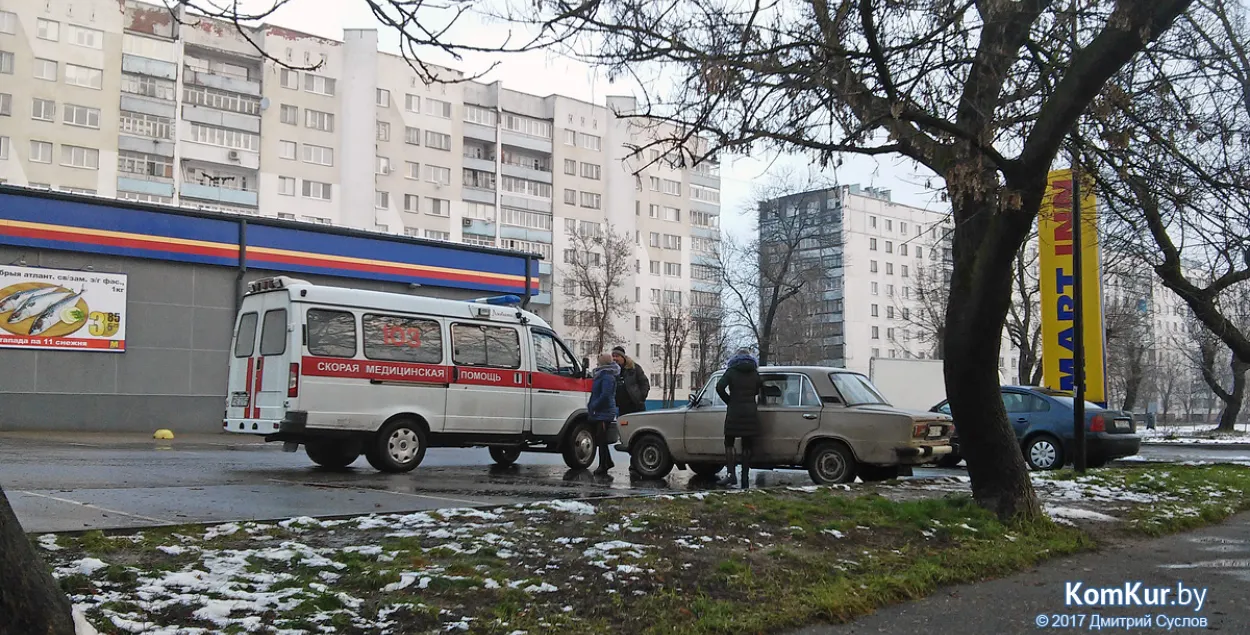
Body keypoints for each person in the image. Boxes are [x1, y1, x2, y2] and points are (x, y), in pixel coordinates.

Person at [715, 348, 763, 488]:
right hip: (750, 412)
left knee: (729, 441)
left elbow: (719, 387)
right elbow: (757, 389)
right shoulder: (754, 372)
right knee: (747, 444)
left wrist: (729, 400)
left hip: (734, 411)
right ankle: (745, 477)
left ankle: (731, 475)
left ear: (736, 357)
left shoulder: (732, 371)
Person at [587, 352, 621, 475]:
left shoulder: (607, 376)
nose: (597, 363)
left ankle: (603, 465)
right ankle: (607, 462)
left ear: (603, 362)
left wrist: (594, 405)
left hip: (604, 412)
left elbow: (605, 395)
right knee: (601, 439)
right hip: (602, 410)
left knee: (601, 439)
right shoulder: (603, 374)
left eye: (599, 361)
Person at [611, 345, 650, 415]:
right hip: (622, 408)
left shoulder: (634, 368)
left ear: (623, 357)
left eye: (617, 356)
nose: (614, 358)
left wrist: (641, 398)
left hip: (636, 406)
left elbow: (644, 383)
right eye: (613, 356)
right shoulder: (613, 371)